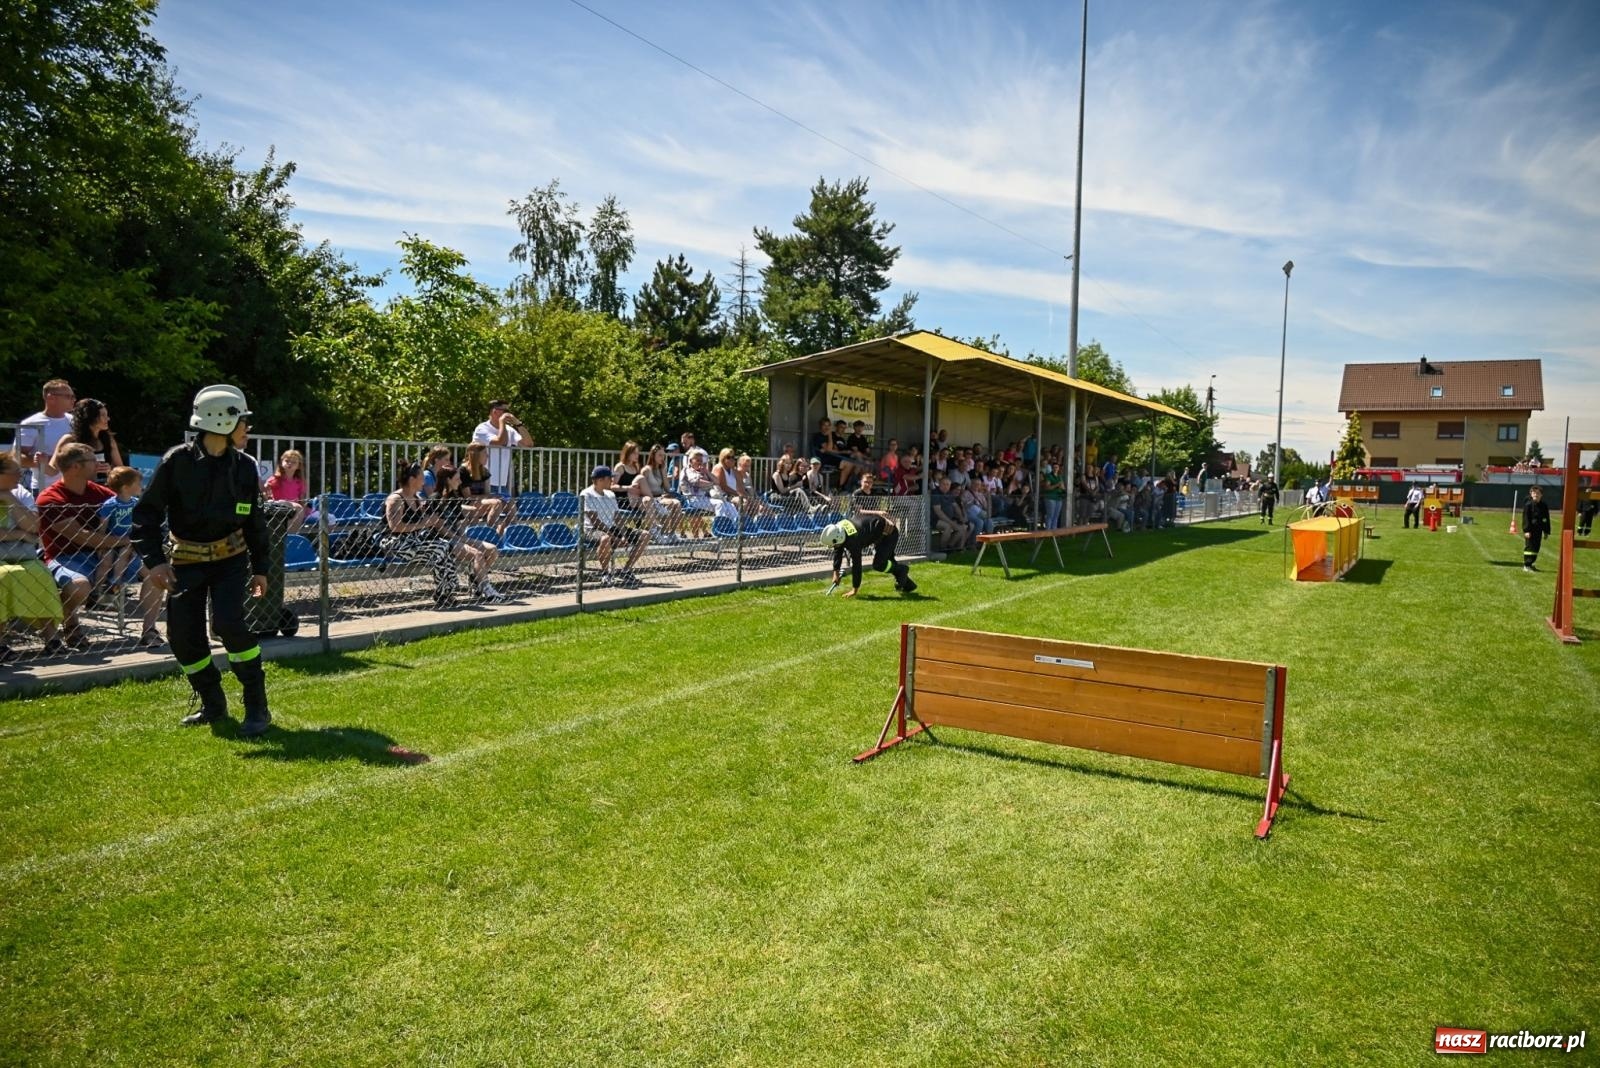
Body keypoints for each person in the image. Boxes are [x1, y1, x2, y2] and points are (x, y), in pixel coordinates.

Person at [131, 387, 274, 732]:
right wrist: (155, 561)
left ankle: (257, 706)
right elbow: (146, 515)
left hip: (231, 561)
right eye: (243, 421)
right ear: (221, 420)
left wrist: (261, 569)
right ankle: (213, 703)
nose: (247, 428)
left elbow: (254, 522)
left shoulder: (245, 467)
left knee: (228, 625)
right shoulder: (176, 462)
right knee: (182, 636)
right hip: (185, 563)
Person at [40, 443, 163, 650]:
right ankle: (71, 626)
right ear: (75, 467)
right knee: (79, 586)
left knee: (156, 572)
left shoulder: (100, 492)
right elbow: (81, 537)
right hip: (67, 557)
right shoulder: (51, 498)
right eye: (92, 460)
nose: (99, 463)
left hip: (110, 553)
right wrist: (129, 540)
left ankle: (149, 630)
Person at [0, 452, 66, 661]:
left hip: (24, 556)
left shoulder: (19, 493)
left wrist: (9, 498)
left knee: (41, 574)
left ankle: (51, 638)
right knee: (3, 577)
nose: (20, 475)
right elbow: (26, 533)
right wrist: (19, 535)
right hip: (7, 558)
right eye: (15, 472)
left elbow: (34, 527)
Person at [382, 460, 460, 608]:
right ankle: (444, 593)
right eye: (421, 478)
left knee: (445, 546)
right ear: (412, 479)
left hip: (414, 542)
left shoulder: (417, 498)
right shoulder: (396, 499)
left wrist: (432, 516)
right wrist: (425, 523)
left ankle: (447, 591)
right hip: (395, 543)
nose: (424, 482)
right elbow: (395, 527)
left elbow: (426, 519)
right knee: (440, 549)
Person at [430, 466, 508, 603]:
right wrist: (458, 538)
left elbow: (459, 522)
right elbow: (439, 527)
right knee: (477, 554)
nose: (460, 482)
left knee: (492, 550)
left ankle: (475, 578)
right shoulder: (435, 498)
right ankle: (488, 591)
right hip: (441, 540)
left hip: (457, 538)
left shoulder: (453, 497)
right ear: (448, 480)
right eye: (457, 479)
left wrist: (463, 537)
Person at [580, 465, 651, 588]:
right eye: (609, 478)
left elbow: (617, 518)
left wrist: (623, 535)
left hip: (612, 528)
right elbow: (595, 521)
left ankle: (626, 570)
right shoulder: (587, 494)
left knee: (645, 535)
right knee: (605, 539)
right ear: (600, 480)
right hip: (591, 530)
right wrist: (615, 538)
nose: (612, 481)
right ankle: (605, 573)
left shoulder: (610, 494)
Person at [820, 507, 916, 597]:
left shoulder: (853, 540)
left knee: (879, 564)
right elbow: (838, 551)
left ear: (839, 538)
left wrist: (855, 589)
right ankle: (908, 585)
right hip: (879, 532)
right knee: (890, 564)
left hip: (888, 533)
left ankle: (902, 570)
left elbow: (857, 565)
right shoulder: (839, 529)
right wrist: (836, 572)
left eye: (834, 545)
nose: (834, 547)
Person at [12, 378, 75, 492]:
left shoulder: (75, 422)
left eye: (73, 396)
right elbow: (17, 457)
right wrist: (44, 462)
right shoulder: (31, 423)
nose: (73, 400)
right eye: (68, 396)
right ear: (51, 398)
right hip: (45, 488)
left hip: (75, 486)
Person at [96, 466, 144, 597]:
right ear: (126, 487)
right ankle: (96, 590)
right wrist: (101, 544)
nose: (141, 486)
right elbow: (103, 526)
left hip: (127, 540)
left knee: (124, 553)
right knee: (105, 562)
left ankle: (115, 583)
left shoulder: (135, 503)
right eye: (138, 484)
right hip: (111, 539)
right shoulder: (110, 504)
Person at [52, 397, 123, 484]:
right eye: (103, 415)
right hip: (78, 487)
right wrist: (41, 462)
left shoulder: (108, 439)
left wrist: (110, 470)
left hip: (103, 487)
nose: (108, 418)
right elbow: (53, 469)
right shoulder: (70, 439)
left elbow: (121, 468)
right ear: (91, 417)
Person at [470, 400, 531, 496]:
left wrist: (518, 424)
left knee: (510, 505)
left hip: (501, 483)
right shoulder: (482, 428)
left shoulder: (509, 430)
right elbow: (501, 441)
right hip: (483, 481)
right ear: (494, 411)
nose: (509, 414)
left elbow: (528, 444)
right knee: (497, 505)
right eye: (505, 411)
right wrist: (502, 421)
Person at [1522, 485, 1552, 572]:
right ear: (1531, 494)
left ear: (1541, 495)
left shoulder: (1544, 506)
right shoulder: (1528, 505)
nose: (1536, 495)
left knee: (1536, 547)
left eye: (1538, 493)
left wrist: (1546, 531)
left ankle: (1531, 564)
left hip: (1539, 530)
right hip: (1531, 530)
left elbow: (1546, 519)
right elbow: (1526, 518)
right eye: (1534, 493)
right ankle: (1526, 565)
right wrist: (1527, 530)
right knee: (1530, 547)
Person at [1041, 460, 1066, 530]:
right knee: (1050, 515)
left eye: (1057, 467)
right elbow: (1047, 487)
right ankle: (1048, 531)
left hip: (1058, 498)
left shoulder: (1060, 476)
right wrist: (1056, 485)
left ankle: (1054, 531)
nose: (1055, 469)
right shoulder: (1049, 476)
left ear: (1058, 468)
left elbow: (1063, 487)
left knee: (1056, 516)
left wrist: (1063, 489)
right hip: (1050, 497)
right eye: (1054, 467)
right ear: (1052, 468)